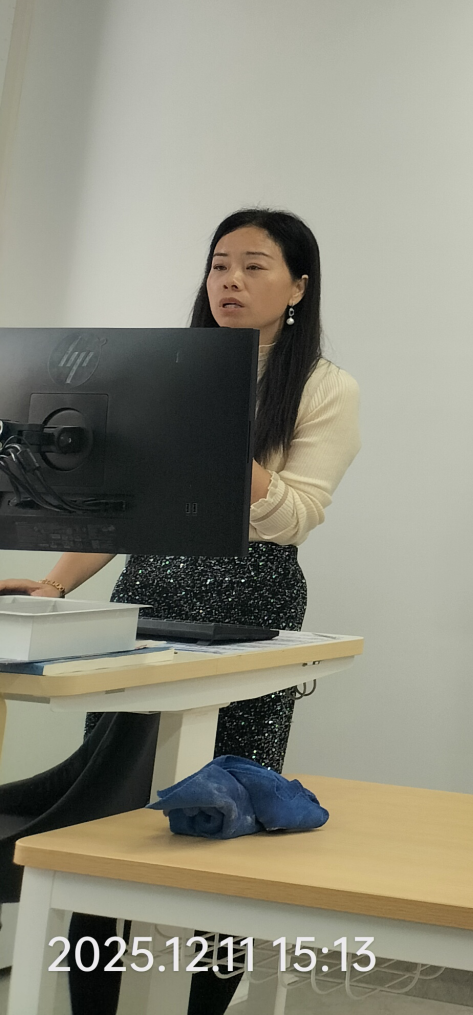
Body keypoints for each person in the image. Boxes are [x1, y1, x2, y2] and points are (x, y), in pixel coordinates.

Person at [0, 208, 360, 1015]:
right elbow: (122, 504)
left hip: (251, 603)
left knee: (226, 821)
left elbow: (296, 515)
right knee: (109, 820)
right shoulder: (159, 371)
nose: (230, 281)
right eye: (219, 264)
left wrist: (212, 432)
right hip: (148, 593)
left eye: (254, 266)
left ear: (298, 288)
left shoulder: (325, 388)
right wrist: (56, 585)